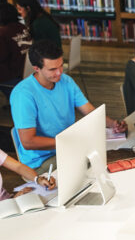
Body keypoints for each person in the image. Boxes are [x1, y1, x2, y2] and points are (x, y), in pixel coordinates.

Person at [10, 40, 127, 172]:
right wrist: (68, 143)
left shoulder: (66, 81)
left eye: (61, 66)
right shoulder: (23, 95)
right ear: (36, 68)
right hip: (42, 161)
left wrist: (113, 124)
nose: (59, 72)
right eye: (52, 69)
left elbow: (88, 110)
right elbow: (28, 142)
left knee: (113, 155)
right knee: (99, 164)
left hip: (68, 148)